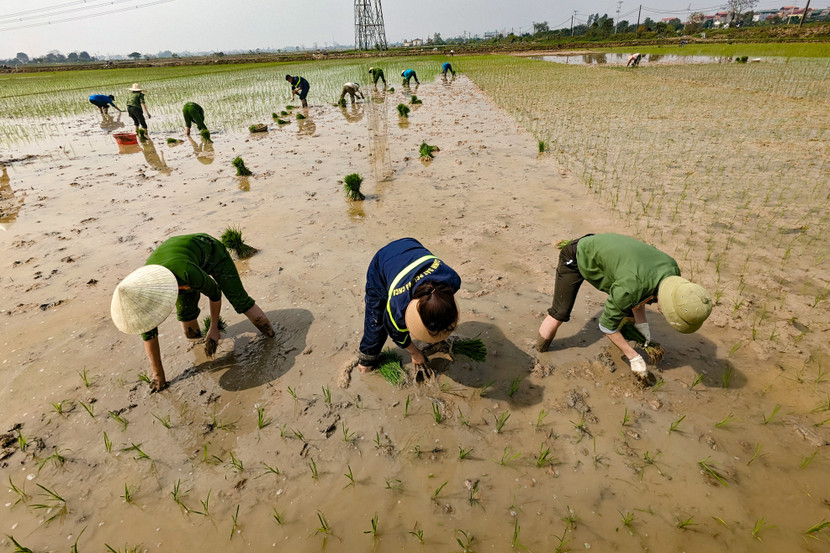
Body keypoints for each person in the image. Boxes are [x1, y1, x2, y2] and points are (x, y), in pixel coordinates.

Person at [111, 233, 275, 391]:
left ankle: (272, 338)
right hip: (175, 263)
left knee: (239, 301)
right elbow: (149, 336)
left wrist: (214, 328)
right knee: (186, 316)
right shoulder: (141, 297)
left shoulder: (186, 272)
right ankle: (198, 343)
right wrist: (158, 375)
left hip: (210, 252)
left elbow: (215, 293)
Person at [535, 233, 712, 379]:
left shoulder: (672, 272)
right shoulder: (631, 287)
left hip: (613, 255)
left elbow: (642, 291)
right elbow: (605, 325)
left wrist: (642, 325)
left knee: (628, 304)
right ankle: (539, 353)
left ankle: (623, 337)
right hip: (576, 256)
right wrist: (632, 356)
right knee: (560, 312)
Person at [357, 238, 461, 378]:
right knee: (376, 323)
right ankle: (365, 364)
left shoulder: (452, 279)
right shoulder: (398, 304)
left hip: (410, 246)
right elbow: (395, 331)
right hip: (382, 263)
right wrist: (415, 353)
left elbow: (440, 302)